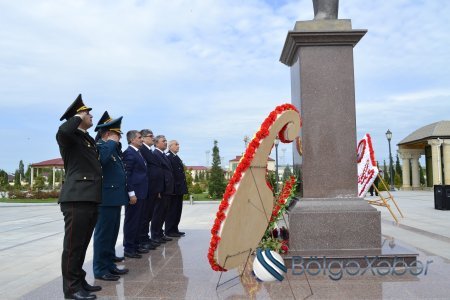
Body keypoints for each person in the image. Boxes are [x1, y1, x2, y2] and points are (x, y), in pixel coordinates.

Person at [56, 94, 102, 300]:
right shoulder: (68, 136)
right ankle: (71, 289)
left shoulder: (85, 138)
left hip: (90, 196)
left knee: (82, 244)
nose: (91, 116)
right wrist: (77, 116)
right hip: (76, 197)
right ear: (78, 115)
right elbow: (63, 129)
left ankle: (79, 280)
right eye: (87, 113)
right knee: (73, 246)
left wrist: (81, 119)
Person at [92, 113, 129, 281]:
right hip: (105, 199)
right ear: (107, 134)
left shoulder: (111, 148)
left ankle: (109, 265)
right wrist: (111, 142)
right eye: (117, 135)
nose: (119, 138)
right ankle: (100, 269)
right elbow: (101, 161)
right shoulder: (100, 146)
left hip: (114, 198)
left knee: (112, 234)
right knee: (103, 235)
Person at [122, 130, 149, 258]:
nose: (141, 140)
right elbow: (127, 175)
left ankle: (136, 245)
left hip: (142, 193)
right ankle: (129, 248)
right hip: (135, 194)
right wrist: (131, 193)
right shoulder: (129, 153)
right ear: (132, 140)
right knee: (132, 221)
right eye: (139, 138)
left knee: (139, 221)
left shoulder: (138, 153)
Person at [138, 129, 163, 250]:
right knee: (144, 216)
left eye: (153, 135)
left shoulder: (150, 151)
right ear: (142, 138)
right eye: (150, 136)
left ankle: (145, 238)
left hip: (153, 188)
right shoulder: (142, 150)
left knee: (148, 215)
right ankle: (142, 239)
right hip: (147, 188)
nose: (153, 138)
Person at [150, 135, 174, 244]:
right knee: (158, 213)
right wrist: (158, 189)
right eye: (163, 141)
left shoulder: (163, 155)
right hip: (161, 189)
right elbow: (157, 174)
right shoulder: (155, 154)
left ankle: (160, 233)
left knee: (164, 212)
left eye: (166, 140)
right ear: (156, 143)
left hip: (167, 188)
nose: (165, 142)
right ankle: (155, 235)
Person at [165, 140, 188, 237]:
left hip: (179, 189)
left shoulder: (175, 157)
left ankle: (175, 229)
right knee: (172, 210)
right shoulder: (168, 157)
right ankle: (169, 230)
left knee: (178, 210)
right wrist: (172, 188)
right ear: (170, 146)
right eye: (176, 144)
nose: (178, 146)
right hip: (174, 189)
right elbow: (170, 174)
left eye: (178, 144)